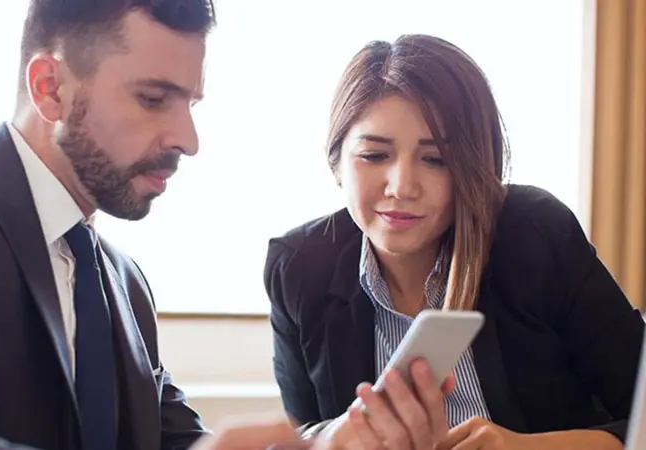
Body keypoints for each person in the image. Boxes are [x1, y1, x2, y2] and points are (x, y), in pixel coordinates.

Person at [0, 1, 301, 449]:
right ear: (50, 88)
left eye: (190, 104)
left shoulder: (126, 283)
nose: (188, 139)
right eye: (154, 99)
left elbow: (180, 442)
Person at [263, 34, 646, 450]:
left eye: (435, 160)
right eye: (374, 155)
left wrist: (523, 447)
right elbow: (303, 435)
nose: (402, 186)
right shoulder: (300, 267)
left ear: (473, 167)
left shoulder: (535, 234)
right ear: (336, 160)